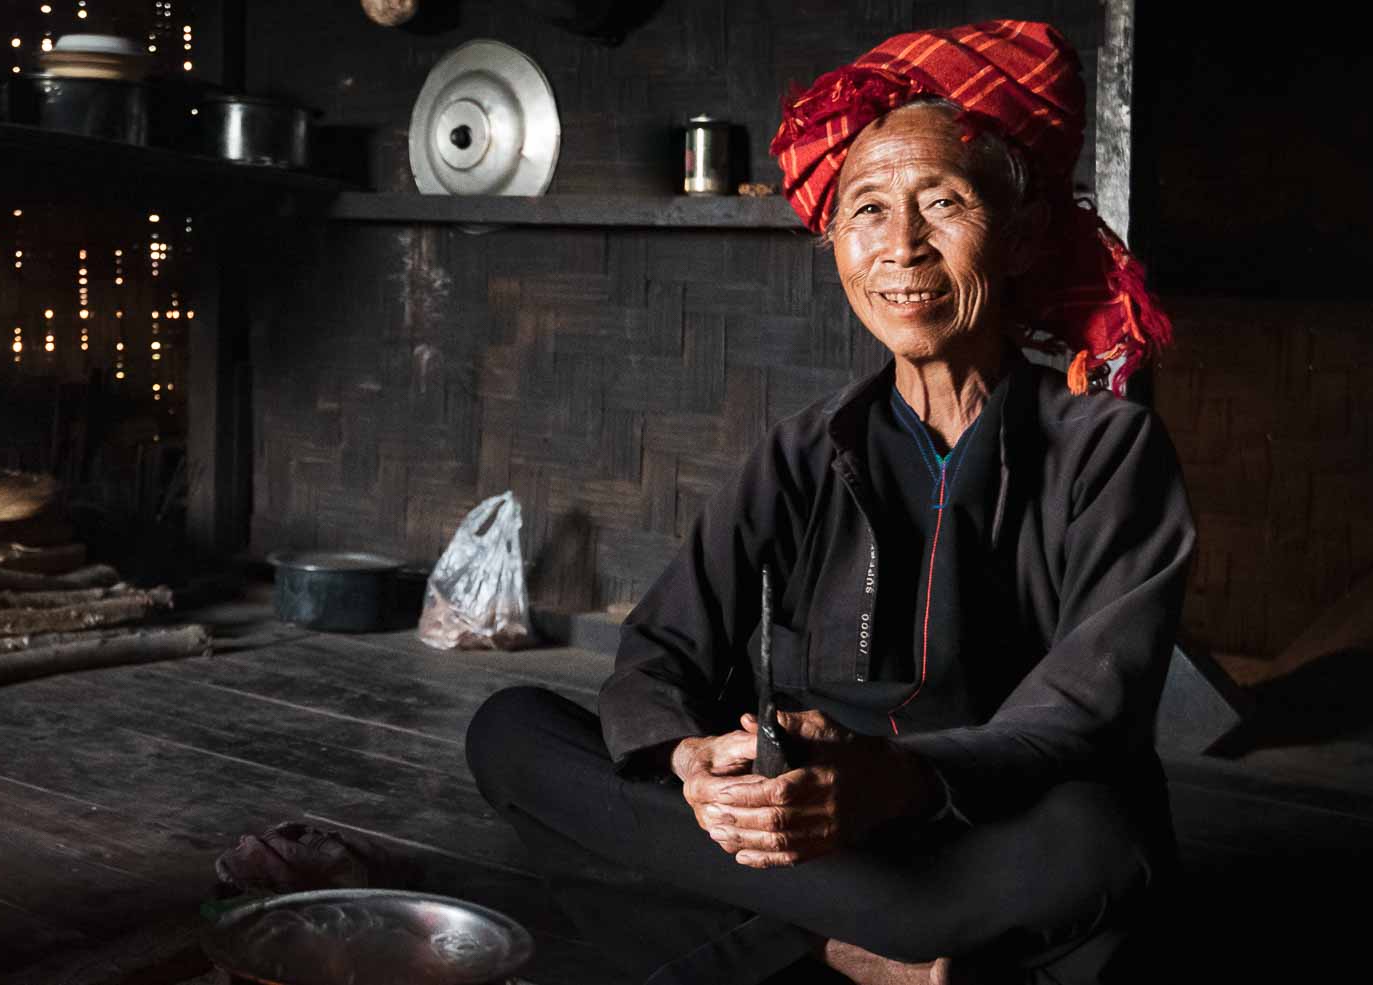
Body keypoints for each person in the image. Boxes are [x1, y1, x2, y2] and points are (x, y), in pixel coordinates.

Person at [465, 20, 1190, 985]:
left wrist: (905, 783)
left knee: (1102, 841)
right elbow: (657, 657)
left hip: (982, 821)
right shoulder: (805, 451)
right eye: (866, 211)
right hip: (810, 829)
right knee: (510, 728)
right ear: (836, 245)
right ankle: (863, 950)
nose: (902, 247)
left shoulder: (1106, 449)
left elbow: (1085, 713)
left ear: (1016, 238)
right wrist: (693, 765)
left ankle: (812, 939)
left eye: (943, 203)